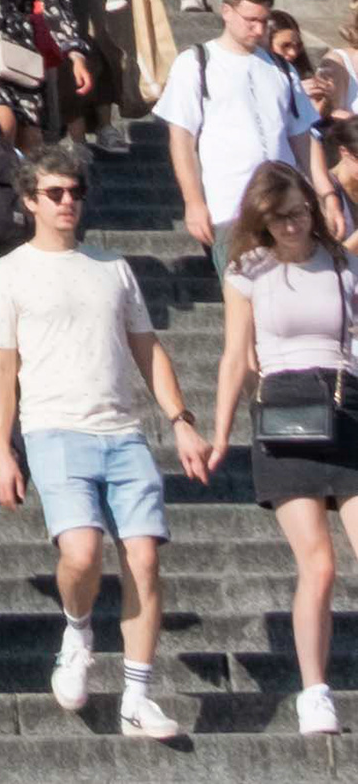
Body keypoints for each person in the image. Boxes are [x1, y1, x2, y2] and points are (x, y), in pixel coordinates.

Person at [0, 138, 207, 744]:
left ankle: (137, 695)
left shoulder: (112, 266)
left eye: (75, 192)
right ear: (29, 200)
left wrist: (181, 418)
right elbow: (0, 365)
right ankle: (77, 631)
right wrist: (0, 448)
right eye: (54, 193)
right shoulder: (9, 273)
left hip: (123, 431)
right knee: (81, 554)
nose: (67, 202)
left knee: (146, 558)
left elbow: (147, 346)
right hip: (53, 428)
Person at [202, 158, 358, 737]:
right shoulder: (249, 270)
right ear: (261, 220)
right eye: (280, 218)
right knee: (318, 563)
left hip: (346, 404)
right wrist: (219, 433)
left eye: (299, 214)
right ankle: (315, 691)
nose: (293, 227)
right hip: (286, 413)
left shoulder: (341, 263)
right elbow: (235, 358)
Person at [163, 0, 346, 265]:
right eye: (250, 20)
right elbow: (182, 140)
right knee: (243, 300)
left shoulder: (281, 69)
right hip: (231, 207)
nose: (258, 29)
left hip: (287, 207)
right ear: (226, 12)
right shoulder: (196, 63)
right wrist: (194, 203)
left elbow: (303, 138)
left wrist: (327, 197)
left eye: (263, 20)